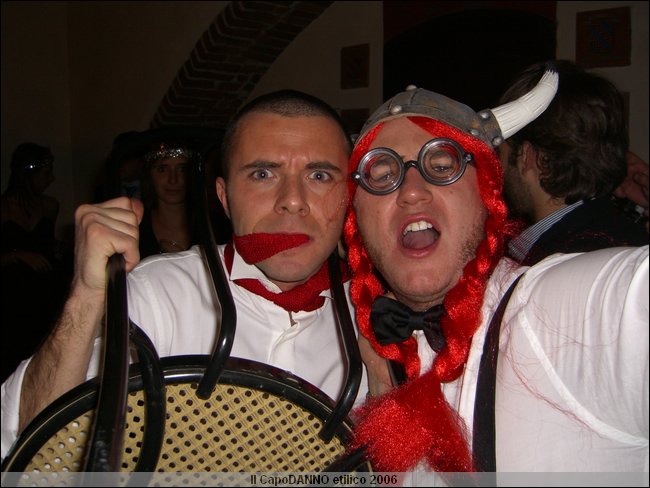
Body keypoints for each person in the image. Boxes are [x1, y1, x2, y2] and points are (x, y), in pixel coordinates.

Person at [0, 90, 368, 460]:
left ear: (348, 197)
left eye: (319, 175)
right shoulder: (156, 293)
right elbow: (26, 446)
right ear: (224, 197)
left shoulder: (371, 315)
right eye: (263, 174)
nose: (293, 200)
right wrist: (86, 294)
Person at [341, 66, 647, 479]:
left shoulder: (557, 312)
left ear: (487, 196)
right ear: (356, 217)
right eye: (381, 174)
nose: (411, 190)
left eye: (442, 164)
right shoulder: (346, 335)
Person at [497, 60, 648, 265]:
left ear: (528, 156)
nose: (498, 166)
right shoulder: (621, 232)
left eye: (500, 151)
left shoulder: (560, 262)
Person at [1, 143, 71, 383]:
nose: (51, 179)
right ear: (28, 174)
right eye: (46, 172)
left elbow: (47, 245)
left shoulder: (50, 205)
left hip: (45, 289)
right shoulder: (3, 207)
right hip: (12, 293)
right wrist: (18, 255)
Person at [138, 138, 199, 258]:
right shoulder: (136, 228)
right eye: (162, 169)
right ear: (149, 175)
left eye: (182, 169)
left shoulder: (214, 228)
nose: (173, 179)